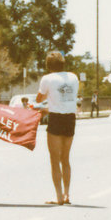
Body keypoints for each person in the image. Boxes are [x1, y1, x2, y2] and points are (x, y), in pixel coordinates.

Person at [36, 51, 79, 205]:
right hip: (70, 119)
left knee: (54, 160)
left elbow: (39, 99)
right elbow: (66, 101)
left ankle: (59, 196)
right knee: (65, 159)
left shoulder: (47, 79)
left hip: (56, 119)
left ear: (48, 66)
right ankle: (67, 194)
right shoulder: (73, 77)